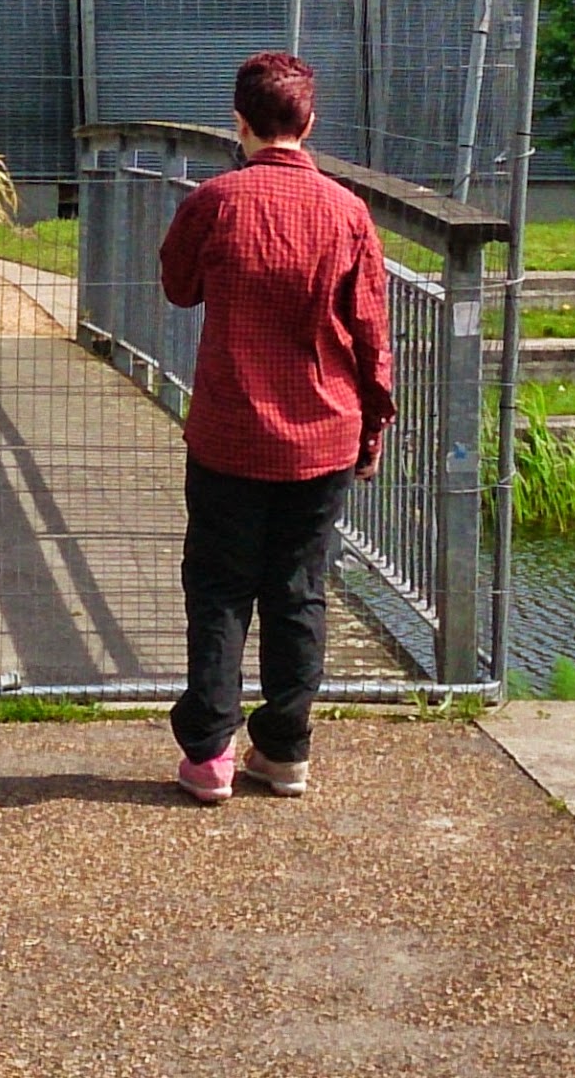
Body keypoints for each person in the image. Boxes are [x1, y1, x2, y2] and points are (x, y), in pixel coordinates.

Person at [158, 51, 394, 804]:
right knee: (299, 590)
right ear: (309, 122)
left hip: (229, 433)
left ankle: (209, 756)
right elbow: (370, 333)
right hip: (323, 434)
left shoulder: (216, 201)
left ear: (240, 121)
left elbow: (178, 286)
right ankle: (285, 749)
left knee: (221, 589)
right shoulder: (348, 212)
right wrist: (373, 425)